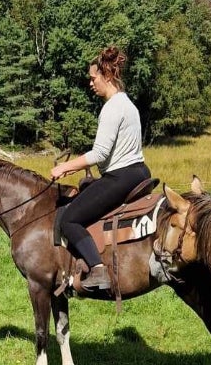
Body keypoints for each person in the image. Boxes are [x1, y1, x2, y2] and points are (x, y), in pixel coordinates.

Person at [51, 47, 150, 291]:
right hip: (138, 171)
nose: (90, 83)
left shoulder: (112, 108)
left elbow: (100, 154)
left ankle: (97, 269)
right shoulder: (128, 104)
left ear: (107, 75)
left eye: (93, 78)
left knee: (70, 219)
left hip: (121, 176)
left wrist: (66, 167)